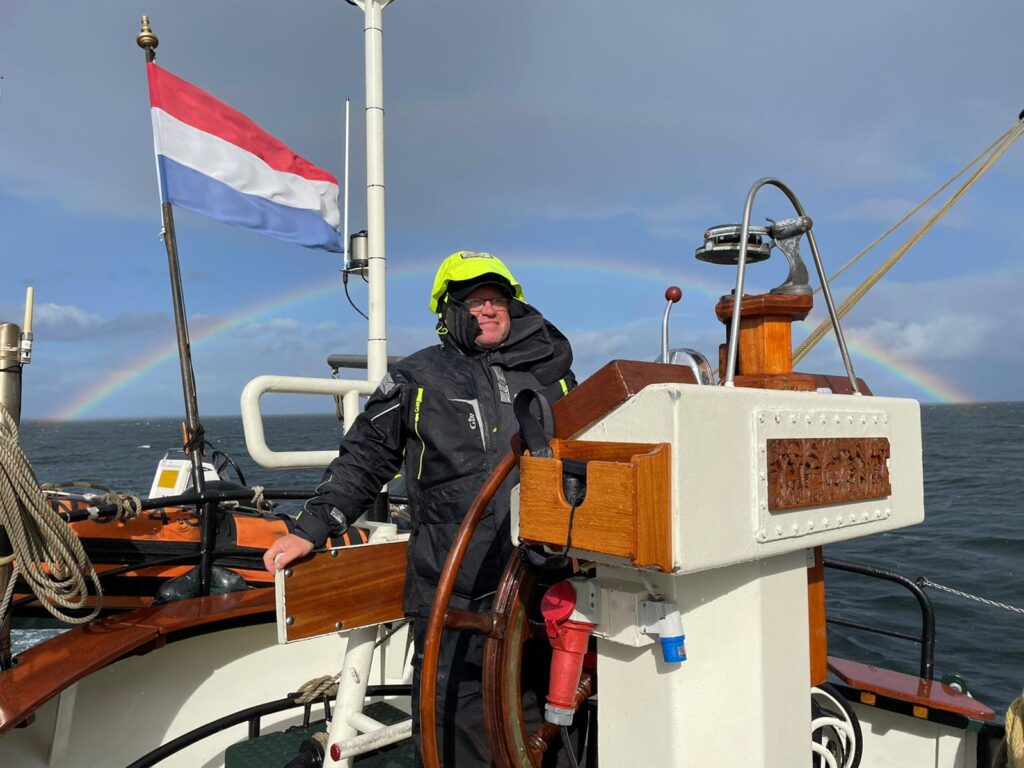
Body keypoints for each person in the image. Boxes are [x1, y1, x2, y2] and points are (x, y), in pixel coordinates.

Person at [263, 250, 576, 766]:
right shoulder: (417, 378)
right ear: (448, 312)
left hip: (542, 574)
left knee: (545, 705)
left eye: (497, 299)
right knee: (455, 714)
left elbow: (589, 452)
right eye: (474, 301)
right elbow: (365, 459)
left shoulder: (553, 375)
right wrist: (311, 529)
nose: (489, 310)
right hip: (454, 580)